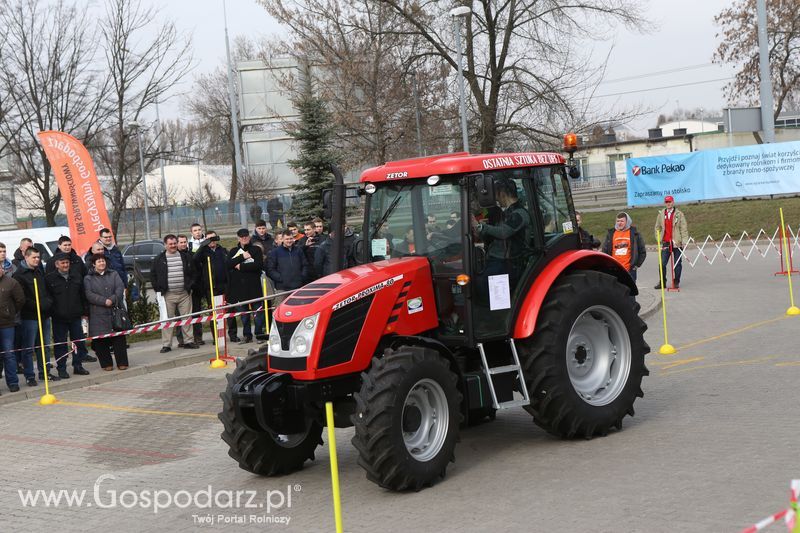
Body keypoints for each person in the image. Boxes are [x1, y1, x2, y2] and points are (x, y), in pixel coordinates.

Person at [12, 247, 56, 384]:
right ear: (26, 257)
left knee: (44, 346)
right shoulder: (19, 275)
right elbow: (21, 298)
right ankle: (30, 376)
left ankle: (45, 373)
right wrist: (38, 305)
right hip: (29, 317)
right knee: (28, 348)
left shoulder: (39, 271)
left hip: (44, 315)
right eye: (34, 257)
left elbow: (47, 291)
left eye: (38, 257)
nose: (37, 260)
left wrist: (48, 303)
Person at [45, 252, 91, 378]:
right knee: (60, 345)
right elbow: (48, 298)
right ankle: (61, 368)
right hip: (59, 318)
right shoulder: (49, 279)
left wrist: (85, 312)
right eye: (63, 263)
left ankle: (78, 365)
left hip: (75, 316)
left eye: (67, 263)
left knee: (78, 343)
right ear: (57, 264)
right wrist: (52, 311)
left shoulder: (76, 276)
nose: (65, 265)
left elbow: (82, 296)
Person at [151, 234, 198, 353]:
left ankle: (188, 341)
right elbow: (153, 276)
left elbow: (193, 272)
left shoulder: (185, 257)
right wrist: (158, 289)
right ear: (165, 245)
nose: (173, 246)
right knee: (167, 320)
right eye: (170, 244)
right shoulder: (159, 259)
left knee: (187, 318)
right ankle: (166, 344)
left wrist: (190, 285)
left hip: (184, 294)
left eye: (174, 243)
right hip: (168, 295)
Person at [84, 254, 128, 370]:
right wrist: (104, 301)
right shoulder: (88, 278)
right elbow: (89, 294)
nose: (101, 263)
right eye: (99, 261)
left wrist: (112, 300)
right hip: (97, 312)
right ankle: (106, 364)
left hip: (115, 310)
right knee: (100, 340)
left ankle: (122, 362)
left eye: (103, 261)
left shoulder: (114, 274)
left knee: (119, 337)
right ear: (94, 264)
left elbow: (120, 288)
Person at [227, 228, 264, 344]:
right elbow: (228, 264)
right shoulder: (233, 251)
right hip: (240, 288)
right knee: (244, 315)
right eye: (242, 237)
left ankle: (259, 334)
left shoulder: (256, 249)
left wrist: (241, 266)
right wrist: (242, 257)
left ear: (249, 237)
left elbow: (258, 265)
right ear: (238, 238)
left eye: (246, 236)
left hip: (254, 287)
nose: (244, 238)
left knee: (258, 313)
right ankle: (247, 335)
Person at [191, 230, 228, 342]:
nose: (212, 241)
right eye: (209, 239)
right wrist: (203, 246)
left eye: (213, 238)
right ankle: (216, 338)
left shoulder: (222, 250)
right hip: (212, 287)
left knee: (228, 311)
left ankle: (231, 334)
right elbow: (195, 259)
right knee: (214, 313)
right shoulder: (204, 252)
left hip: (224, 285)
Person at [0, 248, 25, 393]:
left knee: (9, 354)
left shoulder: (11, 282)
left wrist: (10, 312)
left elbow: (20, 300)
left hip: (7, 325)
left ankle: (13, 382)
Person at [654, 195, 689, 289]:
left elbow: (683, 228)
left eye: (669, 202)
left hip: (677, 243)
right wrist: (658, 238)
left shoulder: (679, 214)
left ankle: (676, 281)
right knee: (662, 263)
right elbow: (657, 227)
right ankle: (662, 282)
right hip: (666, 242)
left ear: (673, 202)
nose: (668, 203)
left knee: (677, 264)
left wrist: (684, 241)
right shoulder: (661, 214)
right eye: (666, 202)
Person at [268, 229, 309, 305]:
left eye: (291, 238)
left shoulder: (298, 251)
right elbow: (270, 269)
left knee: (298, 308)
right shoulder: (275, 252)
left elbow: (305, 265)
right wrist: (281, 278)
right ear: (283, 239)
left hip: (298, 286)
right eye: (287, 239)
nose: (289, 241)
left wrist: (302, 277)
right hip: (282, 288)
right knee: (281, 309)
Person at [602, 212, 646, 282]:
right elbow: (605, 250)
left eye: (622, 221)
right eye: (618, 221)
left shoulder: (635, 234)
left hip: (630, 270)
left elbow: (642, 251)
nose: (619, 223)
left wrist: (636, 265)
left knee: (629, 289)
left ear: (627, 222)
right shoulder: (611, 234)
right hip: (614, 269)